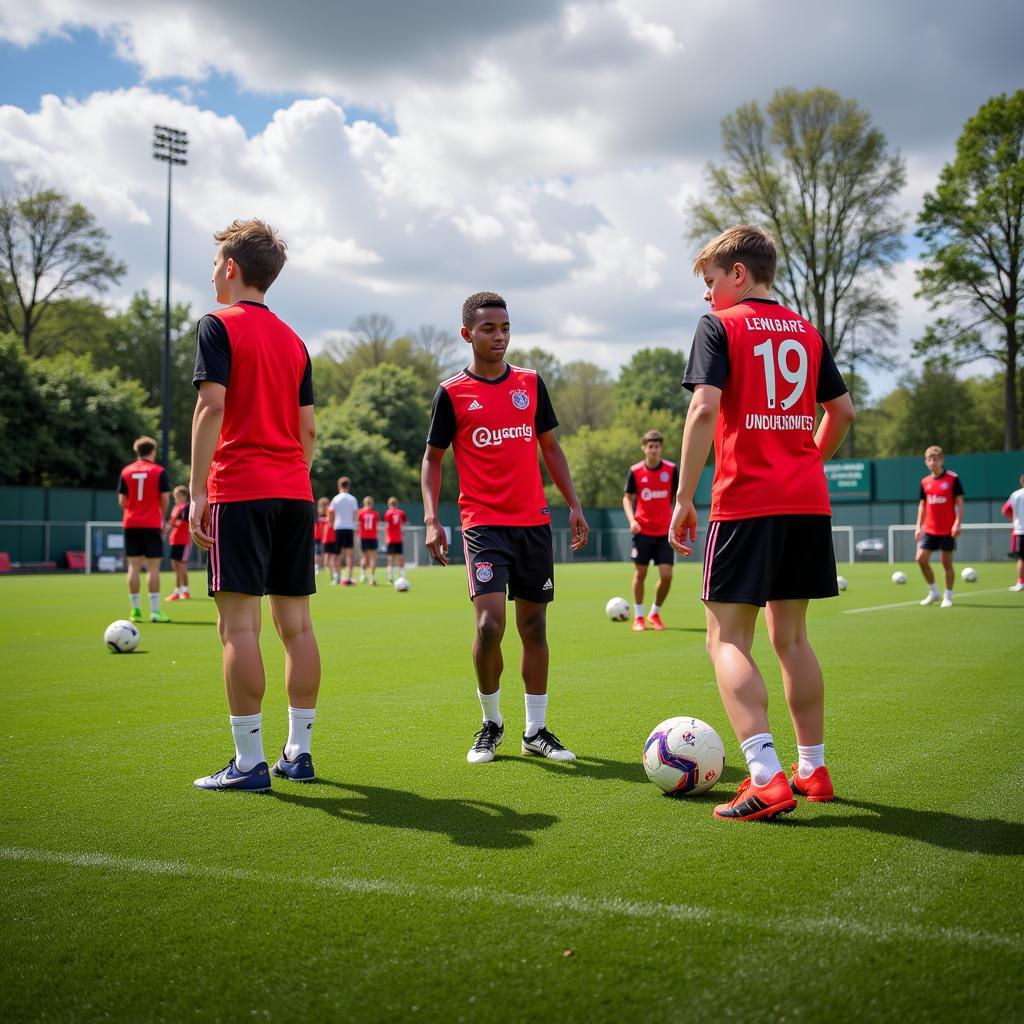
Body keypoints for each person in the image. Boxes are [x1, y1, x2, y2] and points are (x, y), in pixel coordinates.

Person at [669, 224, 855, 821]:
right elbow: (843, 411)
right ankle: (813, 768)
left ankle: (766, 778)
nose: (707, 295)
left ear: (739, 275)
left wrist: (683, 496)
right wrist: (802, 463)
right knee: (793, 638)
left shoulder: (719, 326)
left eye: (711, 281)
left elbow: (703, 409)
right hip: (805, 501)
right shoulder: (807, 329)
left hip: (746, 502)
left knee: (726, 637)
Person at [422, 291, 589, 765]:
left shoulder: (532, 384)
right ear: (467, 334)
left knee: (534, 626)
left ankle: (536, 730)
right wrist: (433, 519)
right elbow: (432, 461)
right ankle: (491, 722)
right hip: (483, 525)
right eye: (488, 329)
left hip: (533, 523)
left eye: (505, 328)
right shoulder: (451, 393)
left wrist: (573, 505)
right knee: (489, 624)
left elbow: (551, 449)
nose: (499, 337)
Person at [189, 218, 320, 792]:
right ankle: (300, 753)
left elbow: (210, 408)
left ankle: (248, 764)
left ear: (231, 268)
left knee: (238, 628)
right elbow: (308, 430)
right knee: (297, 627)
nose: (214, 269)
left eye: (217, 260)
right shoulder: (294, 340)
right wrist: (291, 476)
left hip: (240, 489)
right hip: (295, 491)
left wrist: (196, 492)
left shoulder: (217, 324)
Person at [623, 429, 679, 632]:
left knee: (667, 575)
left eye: (657, 446)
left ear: (660, 448)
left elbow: (678, 497)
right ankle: (638, 617)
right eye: (650, 446)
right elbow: (627, 498)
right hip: (642, 531)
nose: (654, 449)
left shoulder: (671, 470)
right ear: (644, 448)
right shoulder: (636, 471)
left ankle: (654, 612)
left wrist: (676, 520)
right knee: (640, 574)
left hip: (664, 532)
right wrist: (632, 520)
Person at [117, 435, 171, 624]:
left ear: (137, 451)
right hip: (151, 524)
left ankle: (135, 611)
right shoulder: (158, 471)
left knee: (133, 567)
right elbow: (165, 498)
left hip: (131, 523)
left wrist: (134, 512)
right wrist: (161, 518)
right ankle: (155, 612)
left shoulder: (126, 471)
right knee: (153, 568)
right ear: (153, 451)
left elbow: (122, 502)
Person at [915, 445, 964, 608]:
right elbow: (922, 505)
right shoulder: (924, 482)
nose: (932, 462)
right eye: (929, 459)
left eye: (935, 459)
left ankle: (948, 596)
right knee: (921, 559)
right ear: (926, 462)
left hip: (947, 530)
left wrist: (958, 522)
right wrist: (918, 526)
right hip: (929, 529)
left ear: (941, 460)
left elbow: (959, 503)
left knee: (946, 563)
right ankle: (933, 591)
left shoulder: (953, 479)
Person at [164, 485, 192, 601]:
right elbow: (172, 522)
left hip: (184, 541)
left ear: (184, 496)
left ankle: (181, 591)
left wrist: (172, 523)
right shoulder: (176, 507)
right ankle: (182, 590)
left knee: (181, 566)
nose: (175, 498)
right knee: (175, 566)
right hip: (175, 540)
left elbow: (181, 523)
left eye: (177, 496)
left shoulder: (187, 508)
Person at [329, 476, 358, 586]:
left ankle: (337, 578)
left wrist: (332, 524)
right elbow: (356, 515)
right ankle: (348, 577)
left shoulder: (335, 498)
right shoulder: (352, 499)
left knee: (337, 554)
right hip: (349, 528)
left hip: (338, 528)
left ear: (339, 486)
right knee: (349, 554)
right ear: (348, 486)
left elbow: (330, 512)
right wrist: (355, 526)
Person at [1002, 474, 1024, 591]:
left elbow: (1005, 510)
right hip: (1019, 530)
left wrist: (1014, 520)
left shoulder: (1016, 494)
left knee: (1021, 559)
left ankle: (1020, 582)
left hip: (1020, 530)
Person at [384, 496, 408, 582]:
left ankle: (390, 577)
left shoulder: (388, 513)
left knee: (390, 559)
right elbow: (405, 523)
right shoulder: (401, 512)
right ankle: (402, 576)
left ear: (389, 504)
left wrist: (385, 537)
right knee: (400, 558)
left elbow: (387, 526)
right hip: (398, 539)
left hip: (390, 539)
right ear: (396, 504)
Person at [357, 495, 380, 585]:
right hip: (372, 537)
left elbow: (358, 523)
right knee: (373, 558)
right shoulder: (375, 514)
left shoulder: (360, 512)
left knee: (363, 557)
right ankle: (373, 577)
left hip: (363, 537)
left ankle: (362, 575)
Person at [316, 496, 336, 577]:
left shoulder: (328, 514)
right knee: (327, 557)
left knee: (325, 557)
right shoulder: (323, 515)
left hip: (326, 538)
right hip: (325, 538)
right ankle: (333, 574)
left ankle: (333, 574)